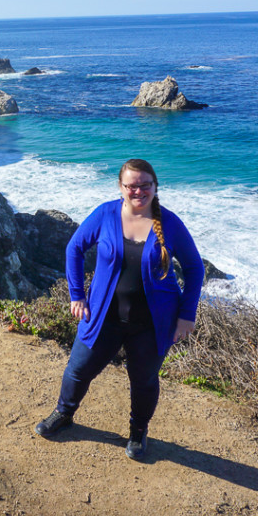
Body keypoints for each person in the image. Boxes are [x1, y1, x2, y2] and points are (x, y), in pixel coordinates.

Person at [35, 158, 204, 460]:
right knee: (78, 370)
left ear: (155, 187)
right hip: (102, 317)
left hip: (153, 323)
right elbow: (74, 248)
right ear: (121, 187)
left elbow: (194, 267)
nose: (138, 191)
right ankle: (63, 413)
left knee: (144, 381)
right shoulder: (105, 214)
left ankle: (138, 433)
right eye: (131, 186)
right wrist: (77, 295)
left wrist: (186, 315)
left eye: (144, 185)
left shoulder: (170, 223)